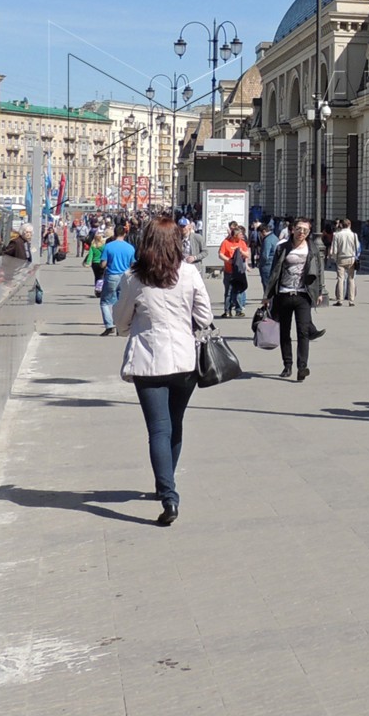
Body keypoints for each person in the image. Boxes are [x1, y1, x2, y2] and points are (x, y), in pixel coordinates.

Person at [113, 216, 213, 527]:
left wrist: (137, 324)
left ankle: (168, 494)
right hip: (184, 361)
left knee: (158, 429)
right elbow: (205, 316)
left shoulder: (133, 278)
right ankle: (165, 484)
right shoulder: (189, 273)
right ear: (176, 243)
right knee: (176, 423)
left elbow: (120, 322)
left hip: (148, 361)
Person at [262, 217, 325, 381]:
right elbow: (274, 272)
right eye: (299, 229)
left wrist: (320, 290)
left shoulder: (312, 248)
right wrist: (267, 295)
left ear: (309, 232)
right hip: (283, 293)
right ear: (292, 230)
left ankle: (302, 367)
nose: (301, 233)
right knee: (284, 332)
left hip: (303, 294)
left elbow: (319, 270)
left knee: (303, 332)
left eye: (305, 230)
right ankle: (287, 365)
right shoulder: (282, 248)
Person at [98, 227, 136, 336]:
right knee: (121, 302)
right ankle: (120, 326)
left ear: (114, 234)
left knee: (105, 302)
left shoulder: (108, 246)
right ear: (124, 234)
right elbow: (133, 264)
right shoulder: (130, 248)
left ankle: (109, 325)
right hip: (125, 276)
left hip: (112, 275)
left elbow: (103, 264)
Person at [218, 221, 249, 318]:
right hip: (229, 271)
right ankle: (227, 311)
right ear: (235, 235)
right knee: (228, 292)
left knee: (238, 291)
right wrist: (228, 260)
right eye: (240, 234)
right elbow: (220, 254)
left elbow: (247, 254)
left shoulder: (242, 243)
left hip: (239, 272)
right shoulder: (226, 243)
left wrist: (241, 252)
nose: (242, 236)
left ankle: (239, 310)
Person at [332, 218, 360, 305]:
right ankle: (351, 300)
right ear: (350, 225)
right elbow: (357, 248)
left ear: (341, 225)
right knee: (351, 279)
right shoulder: (354, 235)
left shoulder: (337, 235)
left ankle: (340, 300)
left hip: (341, 258)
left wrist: (335, 258)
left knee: (341, 279)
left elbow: (334, 249)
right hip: (351, 258)